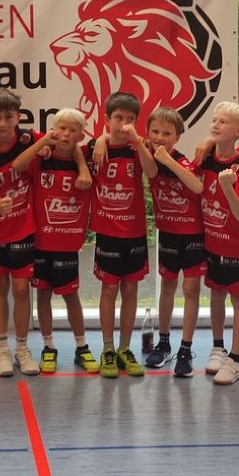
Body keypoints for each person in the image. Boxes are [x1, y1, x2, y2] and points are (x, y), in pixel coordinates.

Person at [11, 109, 95, 374]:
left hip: (68, 244)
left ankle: (82, 347)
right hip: (41, 243)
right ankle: (48, 347)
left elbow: (97, 144)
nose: (66, 134)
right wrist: (43, 143)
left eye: (72, 130)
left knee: (71, 296)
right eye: (61, 128)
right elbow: (17, 165)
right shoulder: (42, 158)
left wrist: (83, 167)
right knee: (43, 295)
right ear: (53, 130)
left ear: (81, 136)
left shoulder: (86, 162)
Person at [0, 89, 42, 377]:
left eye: (8, 117)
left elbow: (67, 138)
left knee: (22, 289)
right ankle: (2, 350)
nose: (2, 123)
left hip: (24, 231)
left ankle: (22, 349)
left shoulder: (30, 140)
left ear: (18, 117)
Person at [85, 93, 151, 379]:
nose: (123, 124)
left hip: (134, 232)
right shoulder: (94, 147)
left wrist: (138, 142)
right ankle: (108, 348)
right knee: (109, 290)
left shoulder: (139, 147)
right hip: (108, 233)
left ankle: (125, 348)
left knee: (131, 290)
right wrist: (100, 139)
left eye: (130, 119)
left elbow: (152, 171)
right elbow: (71, 152)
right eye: (118, 118)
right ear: (107, 119)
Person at [142, 107, 206, 378]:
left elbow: (197, 187)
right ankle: (164, 343)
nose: (159, 137)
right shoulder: (149, 157)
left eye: (167, 133)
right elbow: (148, 168)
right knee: (168, 286)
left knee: (190, 289)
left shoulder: (181, 161)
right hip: (167, 233)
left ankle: (185, 349)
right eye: (155, 131)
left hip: (193, 235)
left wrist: (169, 160)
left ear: (177, 137)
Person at [198, 101, 239, 386]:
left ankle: (235, 358)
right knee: (216, 293)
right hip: (212, 243)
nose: (215, 125)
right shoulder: (206, 156)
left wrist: (227, 188)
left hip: (238, 247)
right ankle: (218, 348)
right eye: (214, 120)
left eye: (223, 122)